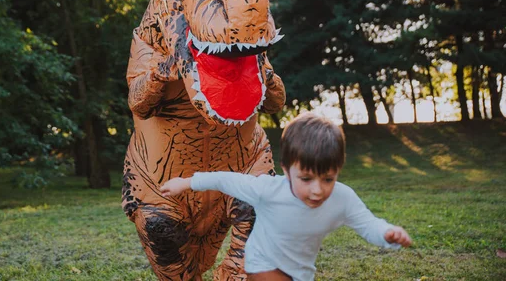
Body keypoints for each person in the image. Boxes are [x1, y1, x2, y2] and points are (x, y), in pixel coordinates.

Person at [160, 112, 412, 281]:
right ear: (286, 169)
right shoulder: (268, 189)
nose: (317, 190)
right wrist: (186, 182)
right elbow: (225, 180)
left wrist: (387, 233)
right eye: (306, 178)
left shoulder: (342, 198)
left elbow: (368, 224)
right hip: (262, 263)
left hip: (301, 272)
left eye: (328, 178)